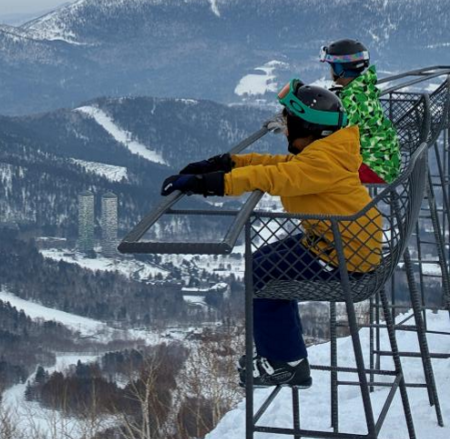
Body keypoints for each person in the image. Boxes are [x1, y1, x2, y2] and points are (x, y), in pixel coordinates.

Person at [161, 79, 382, 388]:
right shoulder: (328, 152)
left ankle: (286, 363)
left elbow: (272, 176)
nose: (284, 128)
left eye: (288, 121)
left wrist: (208, 183)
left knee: (262, 273)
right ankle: (283, 354)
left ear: (307, 127)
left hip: (343, 259)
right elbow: (277, 164)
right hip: (338, 243)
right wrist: (227, 163)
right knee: (263, 259)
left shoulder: (321, 163)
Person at [320, 39, 401, 184]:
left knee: (318, 171)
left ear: (339, 70)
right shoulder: (362, 89)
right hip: (384, 164)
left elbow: (335, 132)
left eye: (332, 67)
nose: (330, 71)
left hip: (373, 168)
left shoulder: (350, 98)